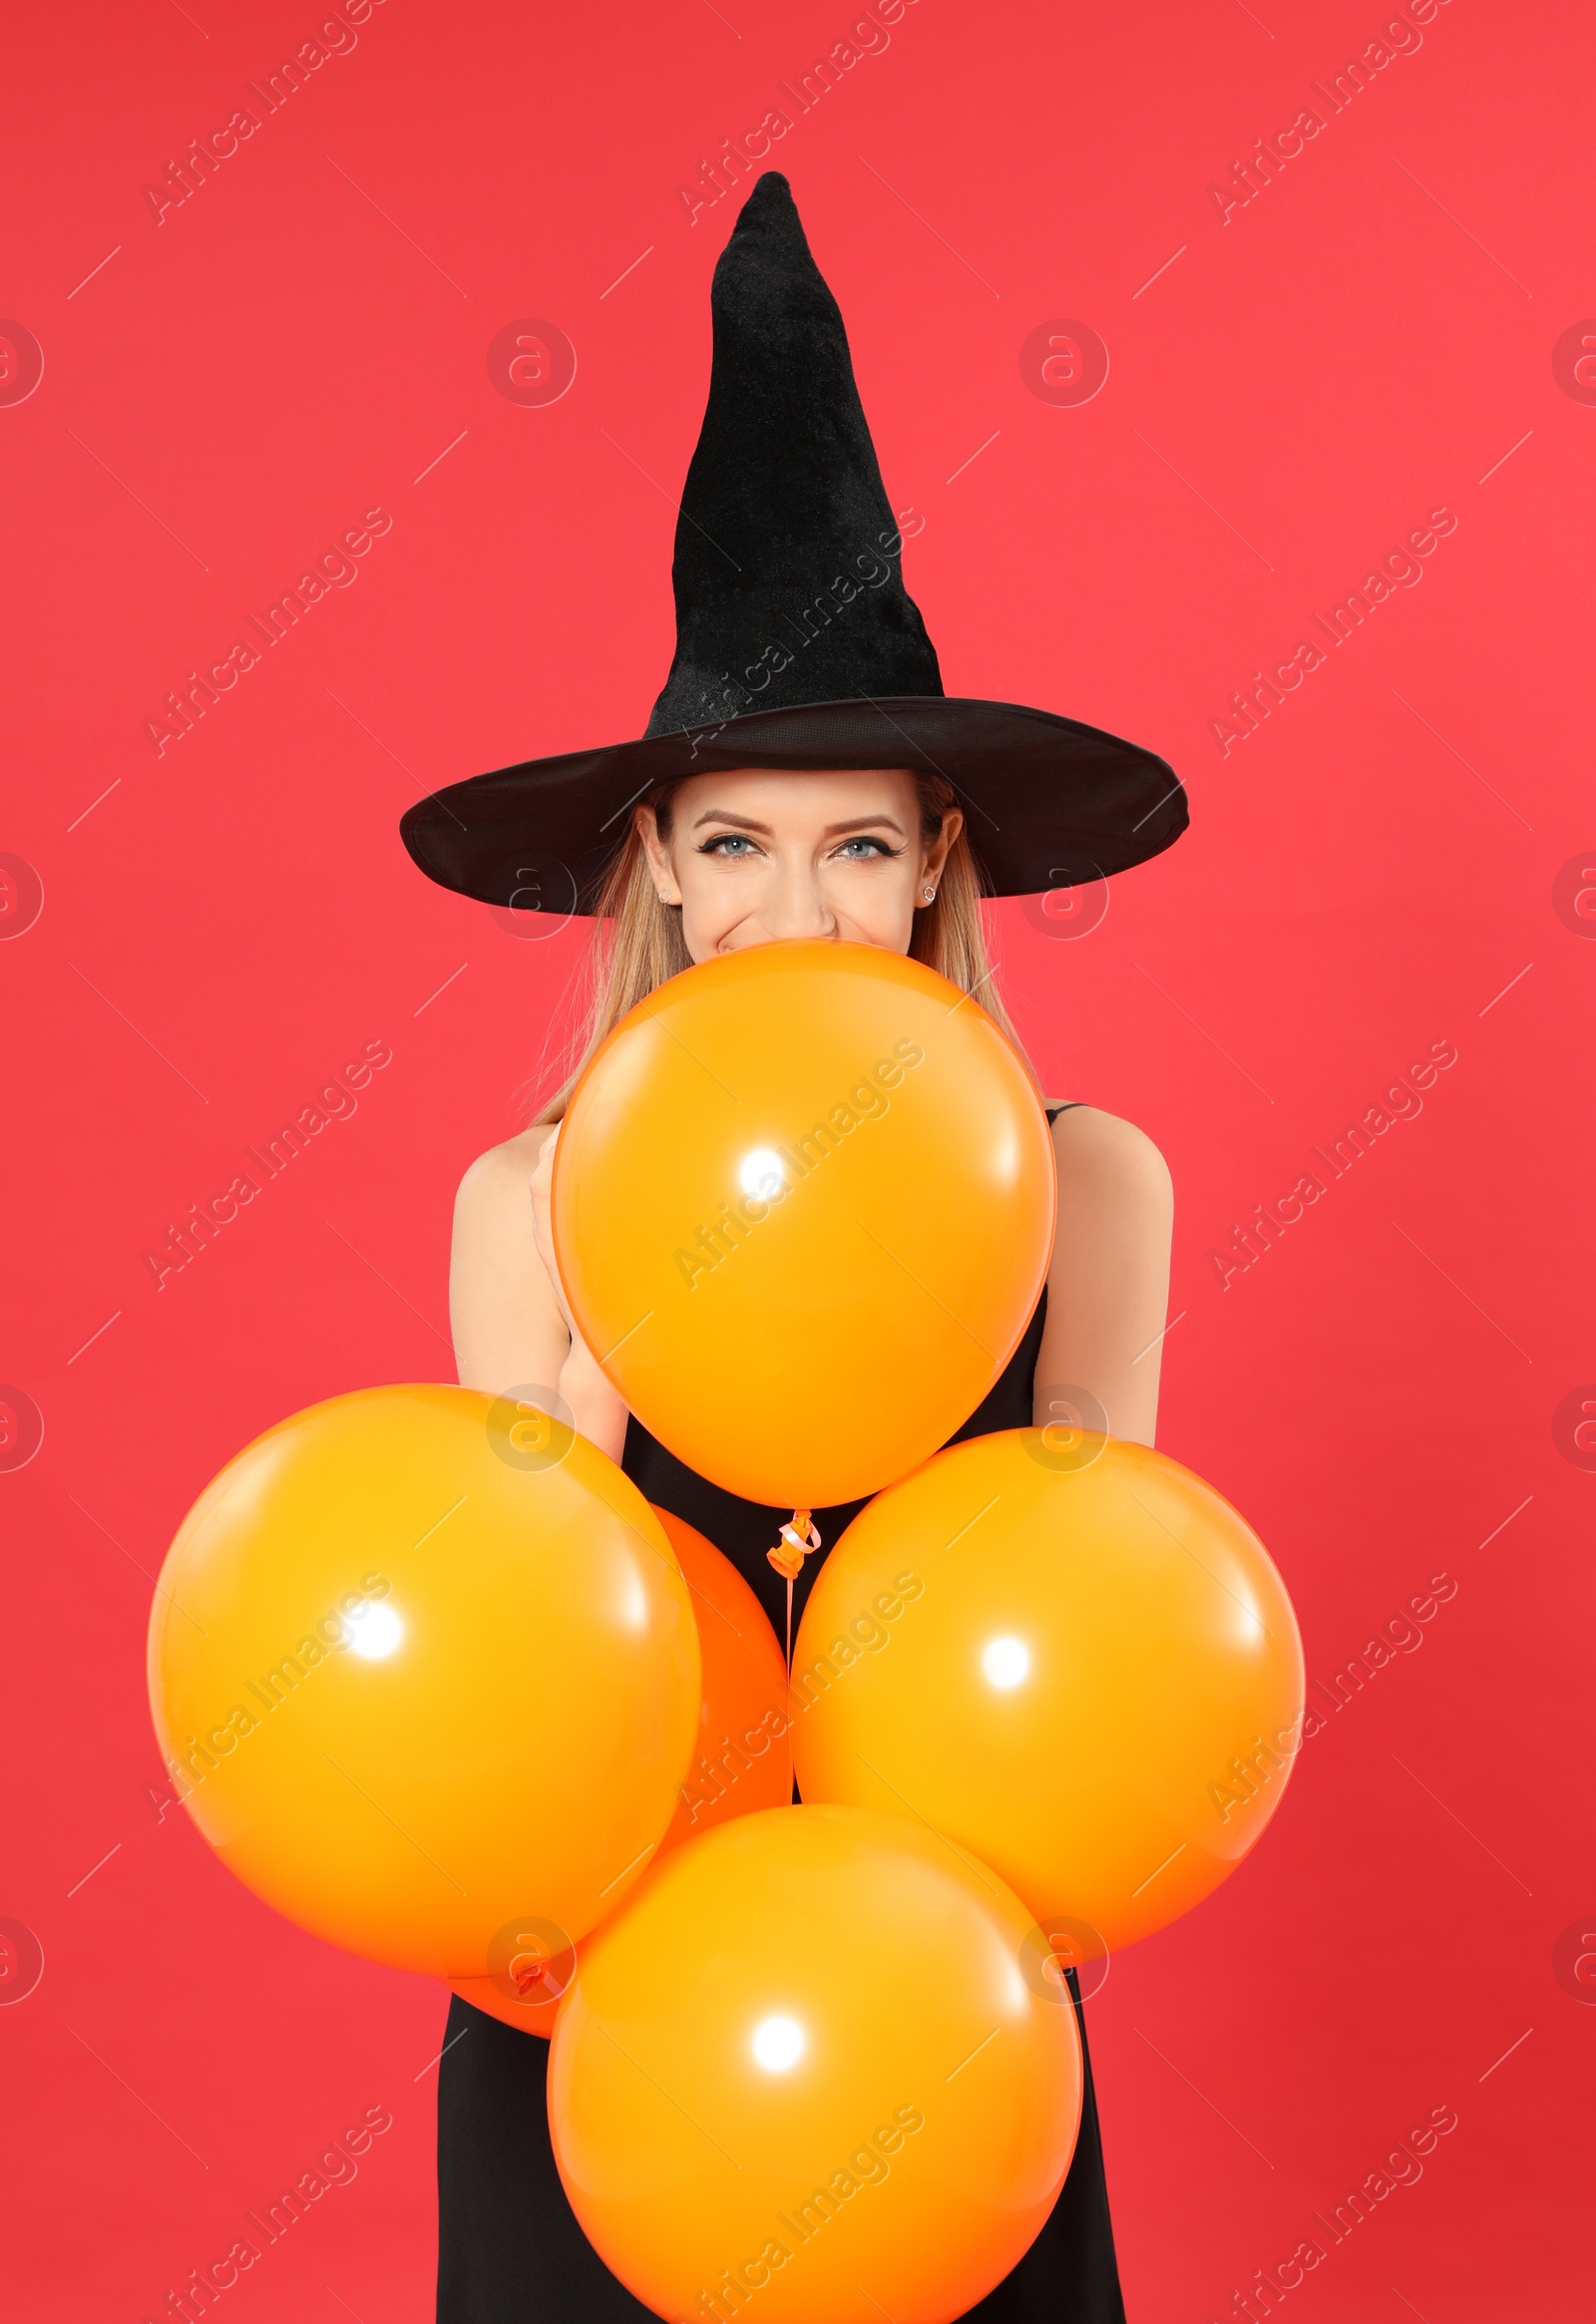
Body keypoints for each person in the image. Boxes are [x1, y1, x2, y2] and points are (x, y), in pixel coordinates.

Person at [400, 171, 1186, 2324]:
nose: (793, 908)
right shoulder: (519, 1199)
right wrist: (623, 1320)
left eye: (854, 845)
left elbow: (1082, 1588)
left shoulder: (1088, 1179)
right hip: (613, 1994)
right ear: (654, 858)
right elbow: (522, 1649)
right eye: (733, 842)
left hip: (933, 1993)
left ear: (934, 865)